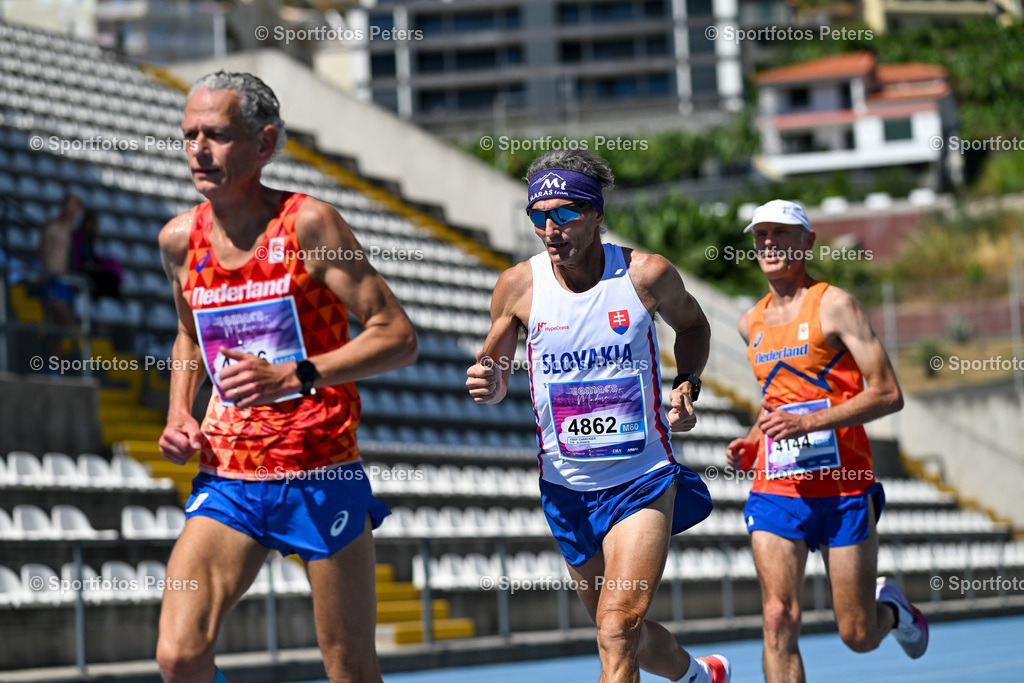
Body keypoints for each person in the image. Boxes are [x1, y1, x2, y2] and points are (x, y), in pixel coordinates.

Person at [155, 71, 418, 683]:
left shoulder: (309, 225)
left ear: (265, 143)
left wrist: (295, 376)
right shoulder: (179, 241)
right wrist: (180, 411)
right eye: (189, 134)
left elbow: (397, 335)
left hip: (319, 469)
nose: (199, 149)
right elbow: (190, 334)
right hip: (230, 475)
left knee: (350, 670)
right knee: (179, 656)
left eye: (217, 135)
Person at [467, 149, 731, 683]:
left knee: (616, 628)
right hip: (565, 488)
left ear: (595, 214)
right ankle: (699, 675)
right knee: (622, 633)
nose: (550, 229)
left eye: (565, 214)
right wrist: (489, 386)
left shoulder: (645, 274)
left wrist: (687, 382)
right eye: (539, 216)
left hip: (640, 478)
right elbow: (494, 374)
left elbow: (694, 326)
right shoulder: (518, 286)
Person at [725, 200, 927, 683]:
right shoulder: (749, 322)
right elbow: (776, 401)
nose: (769, 243)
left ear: (807, 241)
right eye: (761, 235)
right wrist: (752, 441)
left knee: (857, 634)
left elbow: (888, 393)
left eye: (780, 233)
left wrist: (811, 423)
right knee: (778, 616)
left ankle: (893, 611)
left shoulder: (835, 305)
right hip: (777, 488)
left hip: (844, 487)